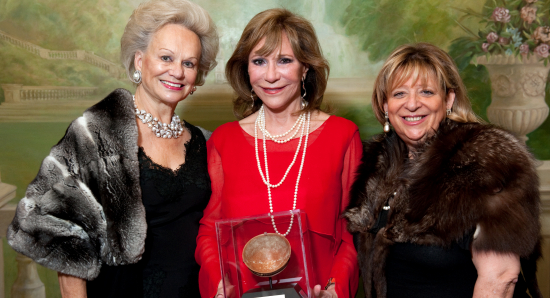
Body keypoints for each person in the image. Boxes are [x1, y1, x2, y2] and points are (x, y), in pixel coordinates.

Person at [7, 0, 218, 297]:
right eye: (166, 57)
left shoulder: (206, 143)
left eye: (189, 63)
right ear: (140, 60)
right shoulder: (96, 134)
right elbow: (56, 230)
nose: (177, 72)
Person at [344, 42, 542, 298]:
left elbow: (501, 277)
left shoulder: (482, 161)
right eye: (399, 94)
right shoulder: (377, 165)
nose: (412, 104)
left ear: (448, 99)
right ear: (385, 105)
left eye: (426, 92)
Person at [195, 8, 360, 298]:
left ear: (305, 67)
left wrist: (336, 288)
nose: (271, 75)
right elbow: (210, 232)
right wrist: (220, 284)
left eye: (285, 60)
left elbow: (352, 233)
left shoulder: (342, 136)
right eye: (259, 61)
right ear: (246, 69)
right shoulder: (224, 140)